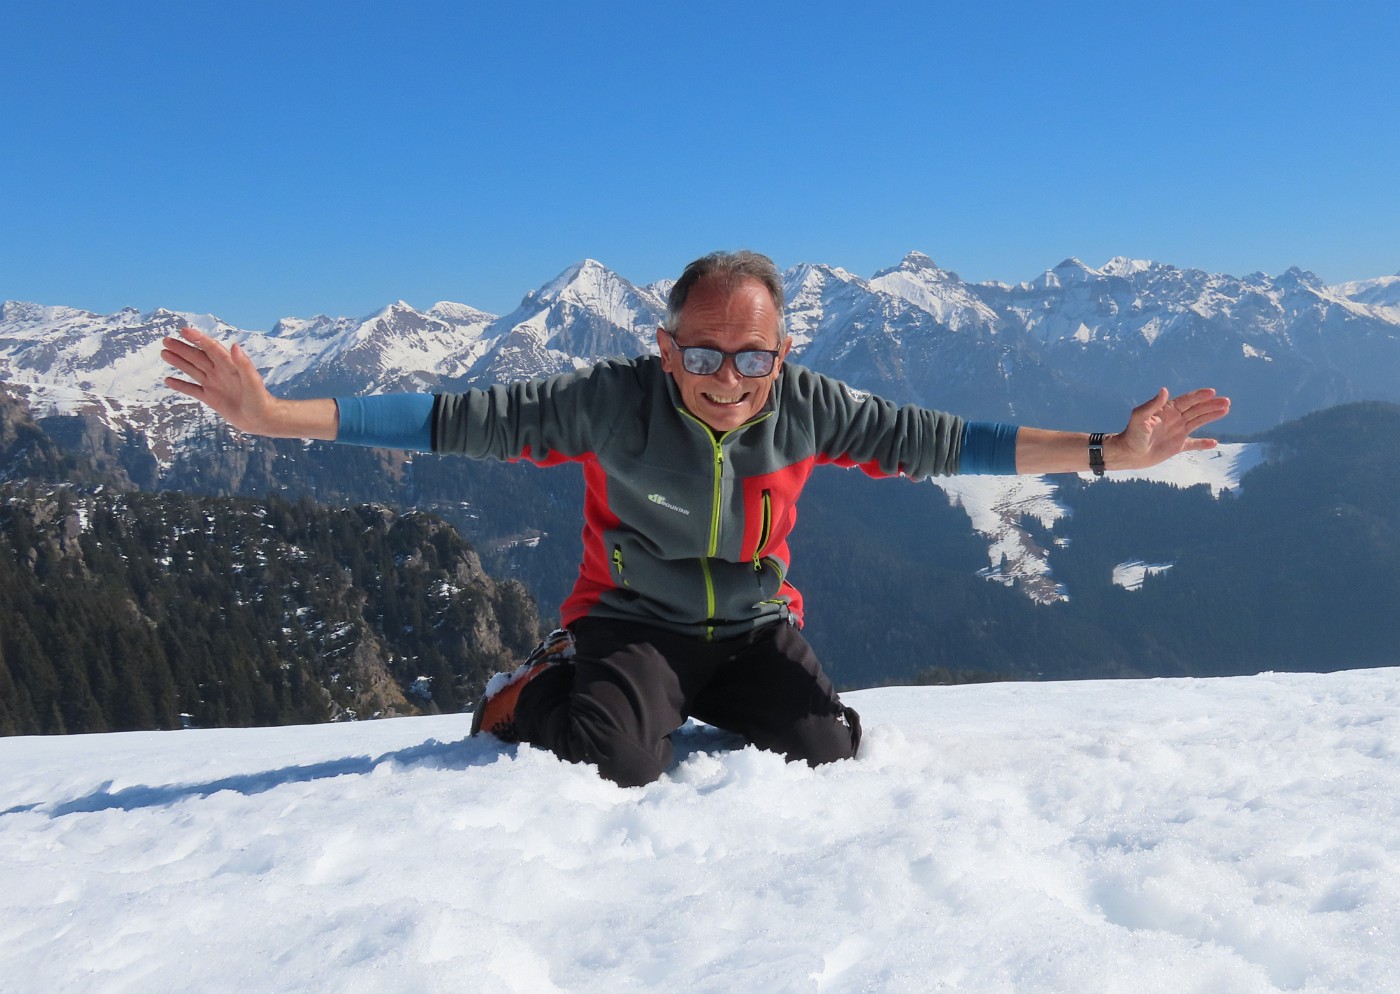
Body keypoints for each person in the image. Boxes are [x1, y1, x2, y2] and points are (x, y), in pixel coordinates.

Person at [161, 250, 1231, 787]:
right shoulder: (609, 403)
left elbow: (951, 442)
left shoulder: (811, 410)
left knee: (826, 748)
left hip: (754, 625)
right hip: (633, 619)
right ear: (667, 346)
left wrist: (1107, 453)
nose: (729, 379)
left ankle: (688, 699)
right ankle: (520, 697)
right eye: (706, 354)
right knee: (619, 761)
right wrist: (271, 415)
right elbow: (447, 421)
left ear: (782, 355)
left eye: (753, 356)